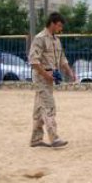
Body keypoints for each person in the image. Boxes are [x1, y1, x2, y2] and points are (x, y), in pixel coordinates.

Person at [28, 12, 75, 149]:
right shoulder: (40, 38)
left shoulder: (56, 40)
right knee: (49, 106)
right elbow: (34, 61)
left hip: (50, 76)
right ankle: (54, 138)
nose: (60, 28)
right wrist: (46, 74)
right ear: (52, 23)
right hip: (41, 77)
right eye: (59, 25)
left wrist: (69, 71)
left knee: (39, 108)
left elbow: (61, 58)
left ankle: (36, 139)